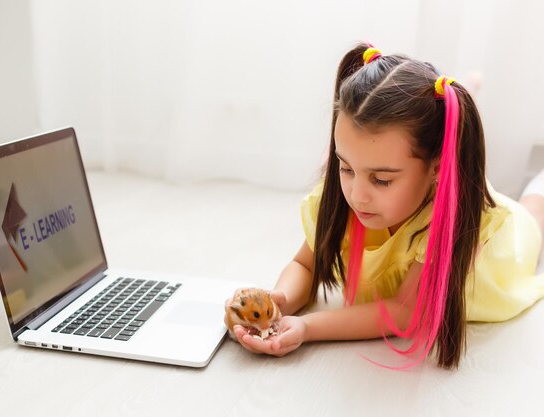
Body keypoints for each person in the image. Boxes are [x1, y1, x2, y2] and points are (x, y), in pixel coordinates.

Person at [230, 43, 544, 369]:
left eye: (381, 180)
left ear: (436, 168)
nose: (357, 195)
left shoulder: (452, 220)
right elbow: (306, 266)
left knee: (533, 213)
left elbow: (405, 313)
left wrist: (308, 327)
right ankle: (466, 89)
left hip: (501, 251)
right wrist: (279, 300)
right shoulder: (346, 192)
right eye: (345, 167)